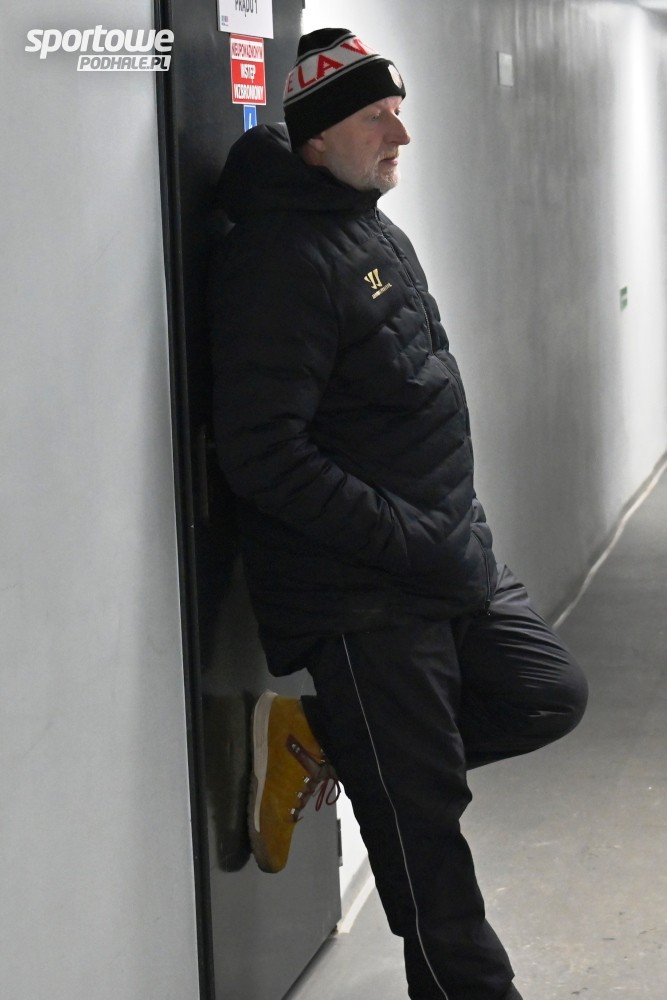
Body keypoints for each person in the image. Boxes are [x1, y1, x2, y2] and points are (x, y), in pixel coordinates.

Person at [208, 27, 588, 1000]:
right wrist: (410, 538)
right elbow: (262, 454)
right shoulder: (278, 261)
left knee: (545, 692)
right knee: (427, 851)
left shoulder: (369, 231)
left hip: (445, 558)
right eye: (378, 117)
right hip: (366, 599)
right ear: (316, 138)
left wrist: (451, 531)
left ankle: (329, 739)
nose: (401, 135)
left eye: (398, 111)